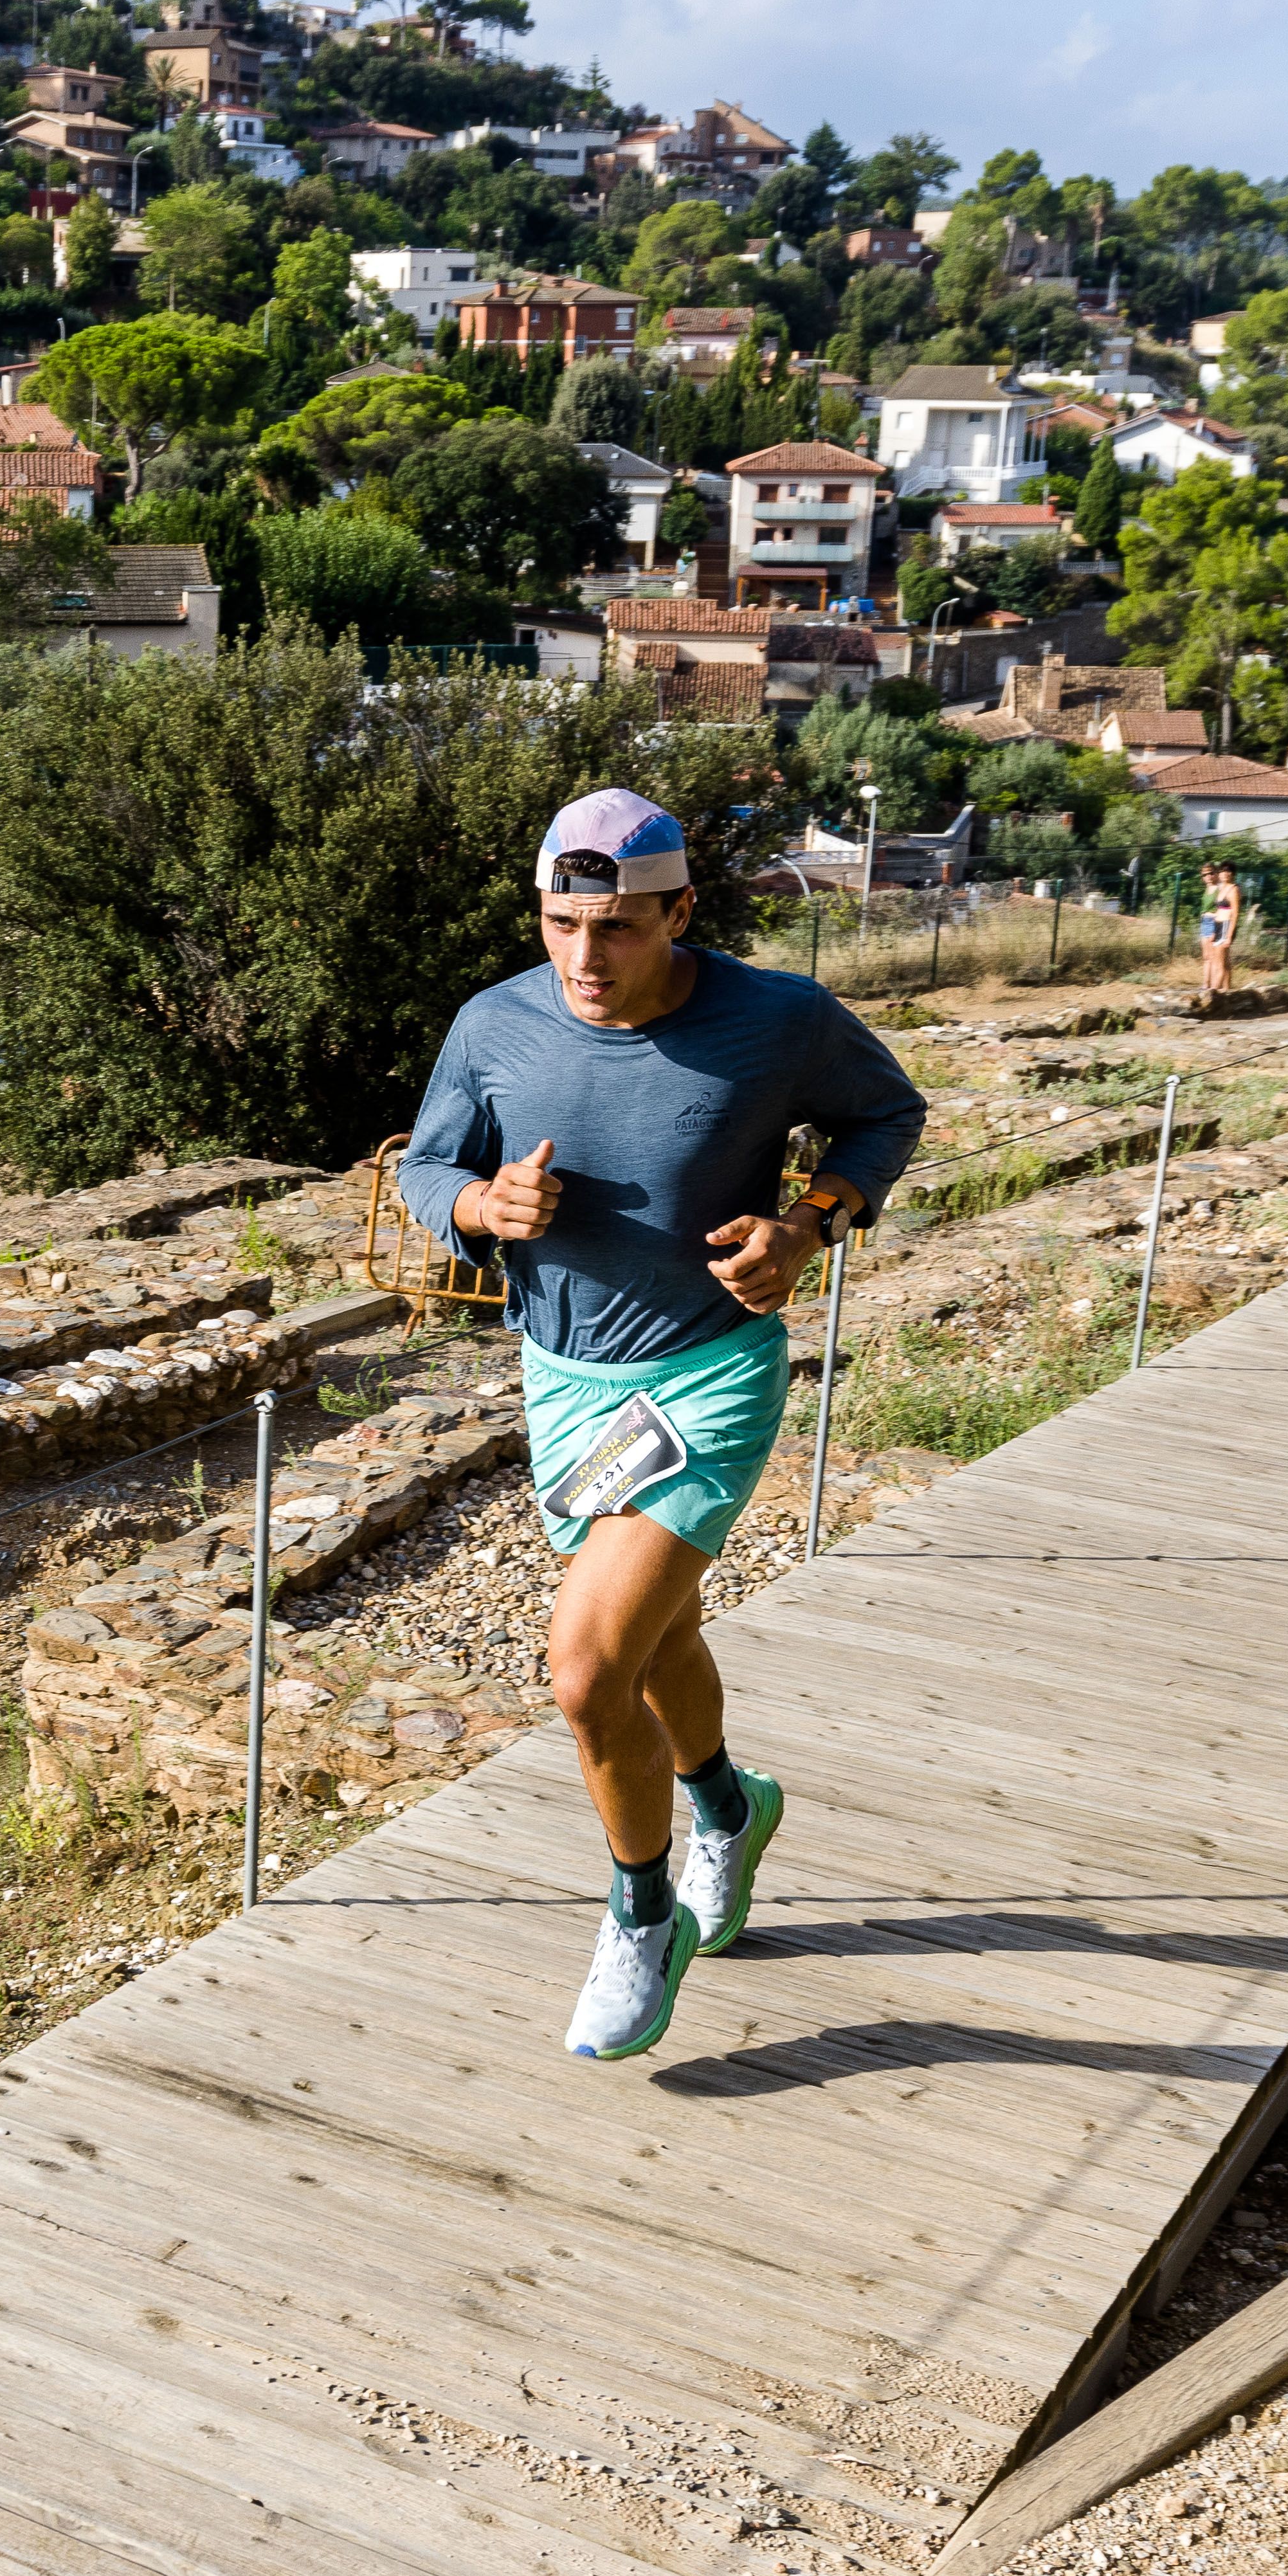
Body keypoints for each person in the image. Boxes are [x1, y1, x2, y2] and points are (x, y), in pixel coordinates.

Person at [399, 790, 927, 2062]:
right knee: (660, 1638)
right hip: (563, 1381)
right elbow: (426, 1168)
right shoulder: (495, 1024)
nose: (584, 959)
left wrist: (809, 1224)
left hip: (707, 1375)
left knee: (585, 1670)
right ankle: (730, 1812)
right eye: (562, 923)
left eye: (620, 928)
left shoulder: (777, 1019)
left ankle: (642, 1912)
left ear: (682, 911)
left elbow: (885, 1113)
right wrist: (483, 1204)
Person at [1198, 862, 1243, 1001]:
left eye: (1228, 871)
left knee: (1219, 962)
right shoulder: (1222, 888)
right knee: (1223, 961)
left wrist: (1229, 936)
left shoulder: (1233, 890)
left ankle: (1213, 994)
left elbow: (1235, 913)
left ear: (1233, 874)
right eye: (1223, 871)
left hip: (1226, 926)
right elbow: (1218, 910)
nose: (1225, 874)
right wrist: (1213, 933)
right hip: (1217, 926)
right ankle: (1226, 990)